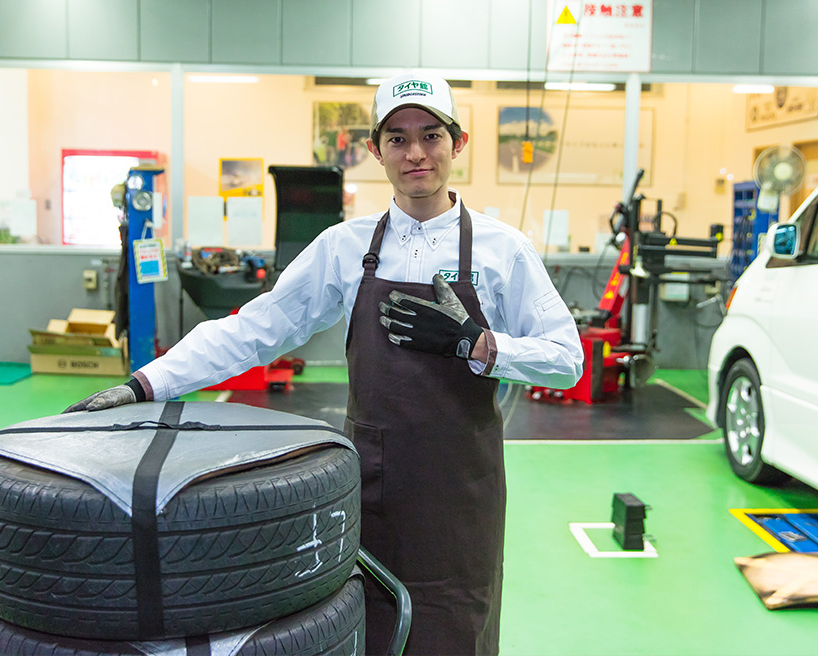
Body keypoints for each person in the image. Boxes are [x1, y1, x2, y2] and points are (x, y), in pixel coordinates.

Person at [66, 72, 583, 655]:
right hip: (364, 482)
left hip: (460, 490)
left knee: (454, 624)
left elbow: (568, 360)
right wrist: (146, 383)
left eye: (431, 135)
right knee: (362, 624)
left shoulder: (503, 250)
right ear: (374, 150)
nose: (416, 153)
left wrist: (480, 344)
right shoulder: (344, 248)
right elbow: (253, 330)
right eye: (397, 138)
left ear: (458, 143)